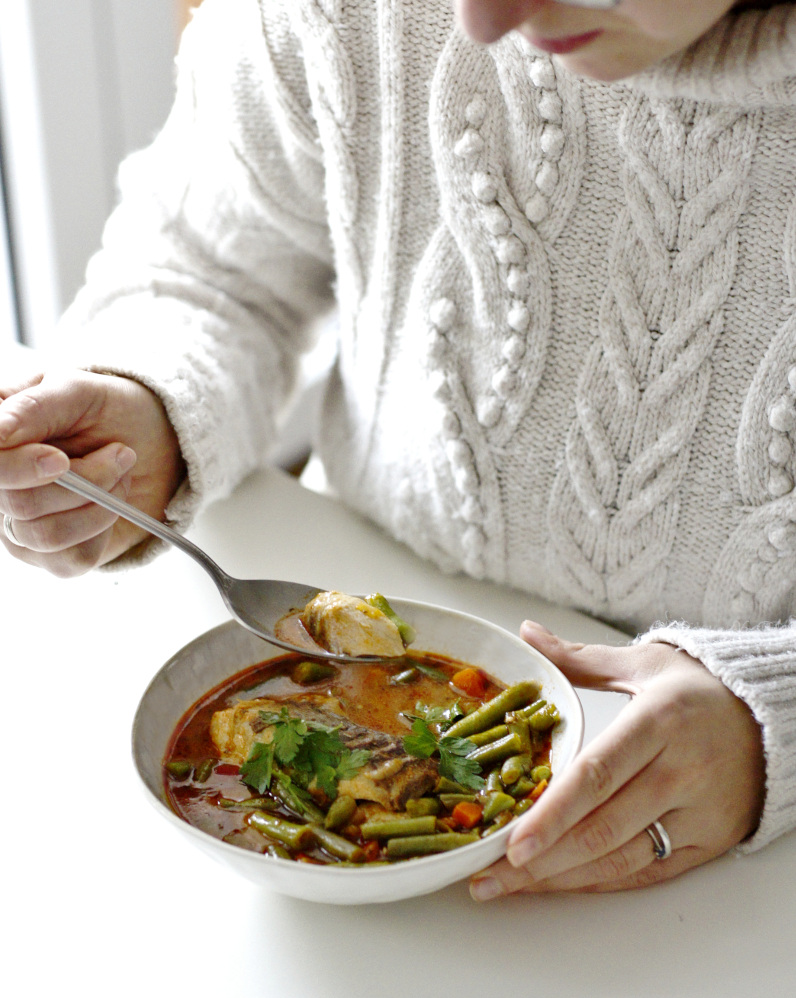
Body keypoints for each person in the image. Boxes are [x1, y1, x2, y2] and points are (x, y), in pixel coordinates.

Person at [1, 0, 793, 899]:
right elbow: (202, 270)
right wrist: (151, 408)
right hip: (354, 625)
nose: (483, 19)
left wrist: (775, 718)